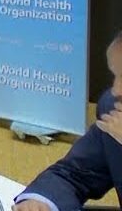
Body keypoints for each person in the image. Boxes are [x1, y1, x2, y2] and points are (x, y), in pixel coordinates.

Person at [13, 32, 122, 211]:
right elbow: (74, 174)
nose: (116, 90)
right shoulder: (114, 110)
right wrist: (41, 202)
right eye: (116, 75)